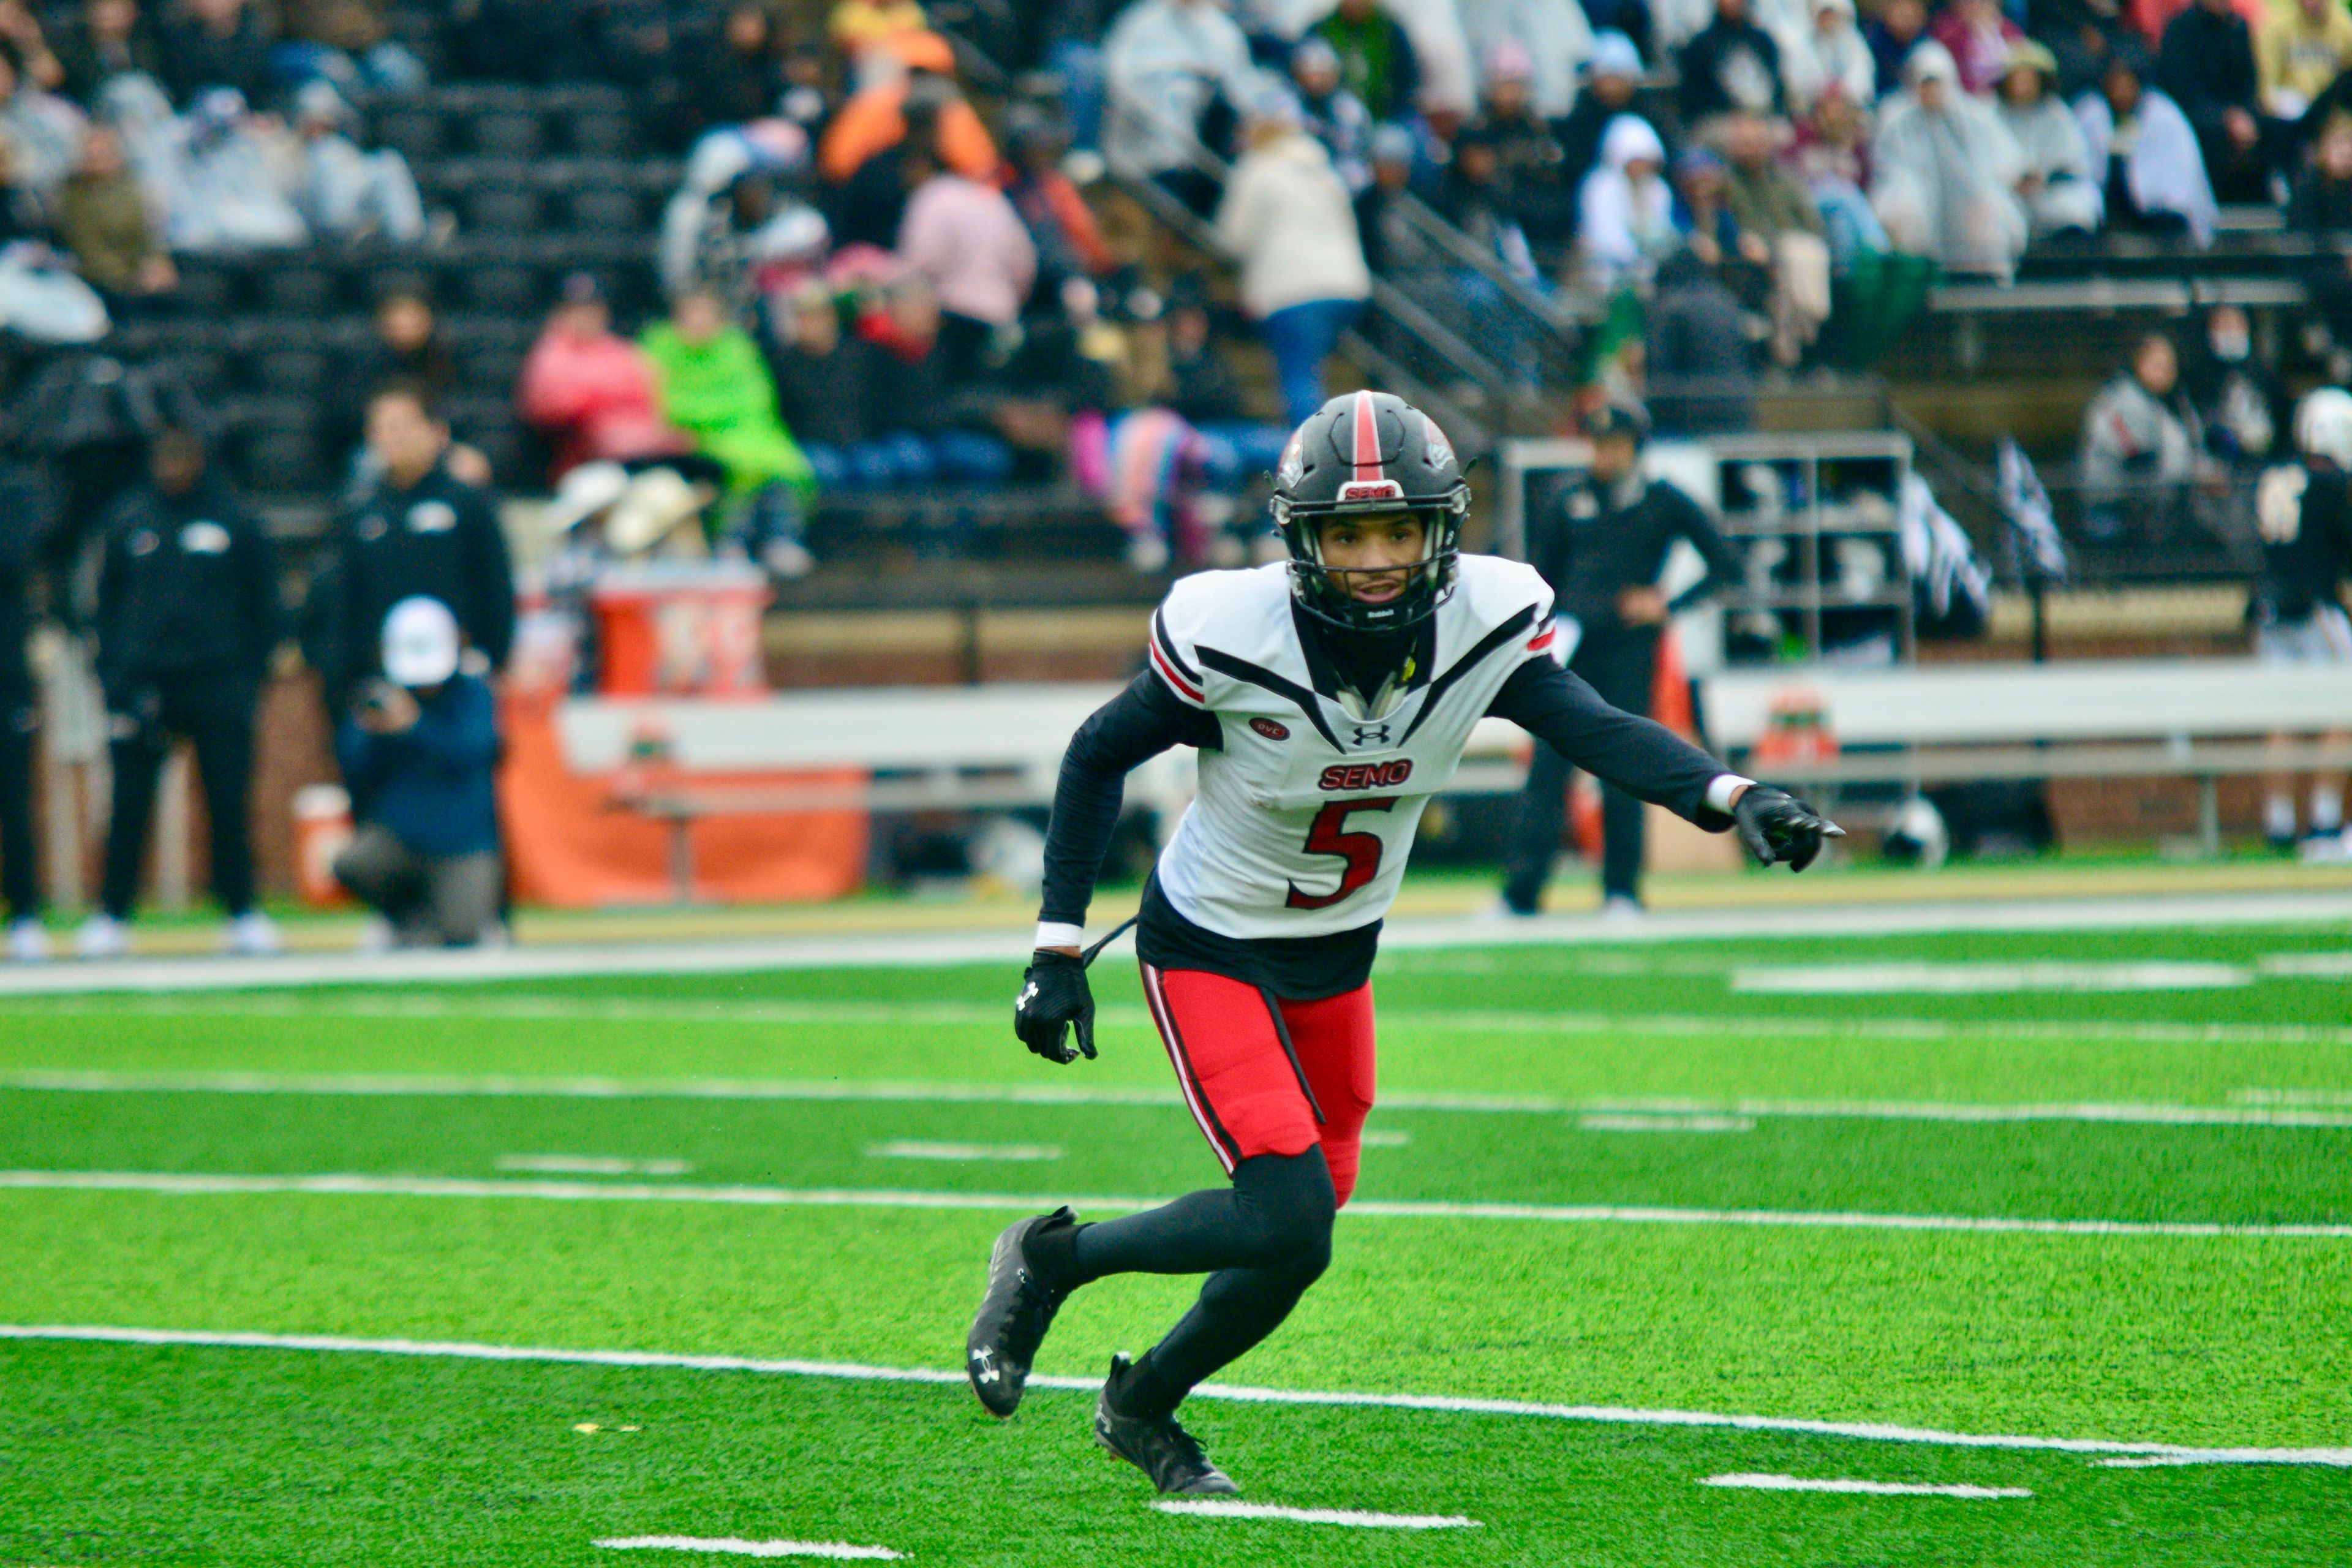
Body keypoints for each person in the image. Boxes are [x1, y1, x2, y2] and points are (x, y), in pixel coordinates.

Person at [968, 389, 1839, 1495]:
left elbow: (1593, 726)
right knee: (1285, 1211)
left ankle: (1141, 1405)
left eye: (1397, 531)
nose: (1376, 558)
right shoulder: (1233, 631)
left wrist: (1731, 790)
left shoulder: (1489, 617)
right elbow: (1098, 754)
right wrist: (1054, 949)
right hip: (1212, 943)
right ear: (1302, 538)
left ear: (1442, 532)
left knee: (1300, 1236)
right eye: (1346, 533)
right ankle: (1052, 1259)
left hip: (1340, 951)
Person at [1498, 404, 1747, 916]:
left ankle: (1621, 891)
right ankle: (1521, 893)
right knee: (1548, 771)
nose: (1605, 453)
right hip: (1569, 651)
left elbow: (1726, 562)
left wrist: (1668, 605)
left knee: (1625, 768)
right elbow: (1540, 574)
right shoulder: (1569, 498)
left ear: (1636, 445)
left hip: (1630, 652)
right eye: (1598, 442)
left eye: (1615, 442)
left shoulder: (1662, 502)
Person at [79, 427, 281, 959]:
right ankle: (112, 915)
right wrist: (114, 678)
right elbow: (104, 605)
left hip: (218, 683)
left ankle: (242, 912)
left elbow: (266, 605)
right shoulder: (129, 520)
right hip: (143, 684)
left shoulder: (235, 518)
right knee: (128, 804)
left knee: (227, 802)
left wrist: (248, 677)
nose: (173, 465)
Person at [312, 384, 516, 716]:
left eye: (403, 425)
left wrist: (497, 656)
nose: (393, 437)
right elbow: (344, 601)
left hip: (460, 677)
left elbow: (495, 584)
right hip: (382, 683)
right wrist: (346, 676)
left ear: (436, 432)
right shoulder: (358, 514)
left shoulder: (468, 504)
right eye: (382, 428)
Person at [334, 597, 503, 947]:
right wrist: (374, 731)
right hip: (401, 838)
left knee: (462, 933)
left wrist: (415, 726)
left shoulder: (473, 695)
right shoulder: (382, 695)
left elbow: (472, 752)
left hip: (462, 842)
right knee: (353, 863)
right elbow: (353, 764)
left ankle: (432, 924)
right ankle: (404, 918)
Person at [1213, 96, 1372, 426]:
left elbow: (1230, 238)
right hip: (1346, 286)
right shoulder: (1323, 170)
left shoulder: (1256, 169)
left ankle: (1313, 462)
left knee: (1299, 378)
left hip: (1293, 291)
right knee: (1317, 374)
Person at [641, 287, 816, 575]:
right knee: (736, 466)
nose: (699, 320)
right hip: (691, 438)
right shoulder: (659, 347)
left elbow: (758, 397)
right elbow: (663, 402)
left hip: (750, 431)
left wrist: (710, 411)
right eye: (692, 312)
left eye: (706, 313)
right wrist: (715, 413)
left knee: (782, 464)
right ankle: (730, 540)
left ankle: (781, 539)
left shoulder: (736, 346)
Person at [2250, 388, 2352, 856]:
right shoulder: (2329, 486)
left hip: (2271, 611)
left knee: (2283, 719)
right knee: (2343, 712)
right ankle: (2326, 825)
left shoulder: (2275, 475)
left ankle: (2279, 826)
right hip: (2315, 609)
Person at [1870, 42, 2028, 277]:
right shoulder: (1896, 117)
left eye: (1937, 84)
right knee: (1905, 214)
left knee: (1990, 212)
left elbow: (2002, 160)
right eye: (1926, 84)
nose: (1931, 91)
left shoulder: (1973, 116)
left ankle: (1989, 282)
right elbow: (1888, 166)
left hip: (1968, 201)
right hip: (1919, 198)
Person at [894, 137, 1038, 385]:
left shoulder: (934, 195)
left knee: (954, 397)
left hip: (954, 314)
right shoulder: (994, 202)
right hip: (1000, 315)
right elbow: (1025, 264)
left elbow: (922, 260)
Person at [1719, 108, 1834, 365]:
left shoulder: (1787, 181)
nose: (1750, 148)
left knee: (1802, 254)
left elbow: (1815, 227)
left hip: (1791, 255)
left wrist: (1777, 248)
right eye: (1743, 142)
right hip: (1748, 260)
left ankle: (1799, 333)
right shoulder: (1726, 184)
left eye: (1756, 142)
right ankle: (1800, 340)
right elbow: (1727, 228)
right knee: (1784, 270)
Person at [2076, 48, 2217, 244]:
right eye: (2114, 86)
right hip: (2112, 204)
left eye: (2126, 86)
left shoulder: (2163, 115)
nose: (2120, 94)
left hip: (2159, 213)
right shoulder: (2092, 115)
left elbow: (2179, 174)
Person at [2079, 331, 2201, 541]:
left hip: (2156, 510)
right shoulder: (2120, 399)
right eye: (2157, 364)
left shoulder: (2174, 403)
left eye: (2170, 365)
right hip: (2115, 511)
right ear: (2139, 363)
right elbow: (2140, 457)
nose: (2165, 372)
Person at [0, 459, 49, 961]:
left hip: (5, 679)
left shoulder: (14, 488)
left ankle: (25, 915)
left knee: (15, 804)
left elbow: (13, 554)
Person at [2157, 0, 2267, 203]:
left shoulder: (2238, 27)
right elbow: (2183, 92)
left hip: (2239, 118)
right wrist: (2225, 118)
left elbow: (2249, 84)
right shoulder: (2180, 29)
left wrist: (2246, 116)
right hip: (2194, 118)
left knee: (2275, 131)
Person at [1996, 40, 2101, 239]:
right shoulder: (1992, 114)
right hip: (2006, 193)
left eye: (2030, 79)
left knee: (2077, 206)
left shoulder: (2056, 114)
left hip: (2049, 191)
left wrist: (2044, 177)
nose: (2024, 85)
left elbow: (2073, 160)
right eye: (2019, 78)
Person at [56, 124, 174, 301]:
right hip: (101, 284)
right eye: (90, 157)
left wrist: (157, 263)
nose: (95, 162)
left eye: (102, 155)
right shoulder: (73, 197)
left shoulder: (129, 189)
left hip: (139, 275)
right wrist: (133, 278)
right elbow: (91, 254)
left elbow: (147, 234)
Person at [1578, 113, 1678, 288]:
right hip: (1608, 273)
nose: (1641, 166)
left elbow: (1662, 230)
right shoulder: (1600, 187)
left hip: (1652, 273)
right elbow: (1605, 237)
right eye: (1636, 160)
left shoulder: (1659, 189)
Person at [1558, 31, 1647, 194]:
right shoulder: (1582, 118)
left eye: (1618, 77)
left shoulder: (1647, 112)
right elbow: (1577, 167)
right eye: (1606, 77)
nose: (1611, 85)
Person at [1310, 0, 1423, 122]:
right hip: (1333, 117)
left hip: (1386, 117)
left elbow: (1408, 78)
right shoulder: (1322, 31)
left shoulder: (1390, 32)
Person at [1678, 0, 1785, 127]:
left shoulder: (1763, 42)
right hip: (1719, 120)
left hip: (1763, 118)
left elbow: (1777, 90)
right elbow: (1695, 101)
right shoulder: (1700, 46)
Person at [2258, 0, 2352, 123]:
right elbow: (2266, 80)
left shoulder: (2345, 28)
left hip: (2330, 111)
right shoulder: (2279, 28)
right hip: (2290, 111)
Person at [1781, 0, 1874, 113]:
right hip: (1815, 109)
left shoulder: (1854, 43)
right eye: (1824, 15)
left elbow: (1863, 77)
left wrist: (1844, 90)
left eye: (1832, 15)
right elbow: (1796, 81)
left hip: (1850, 105)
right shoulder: (1803, 45)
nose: (1828, 20)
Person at [1927, 0, 2021, 97]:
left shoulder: (2009, 30)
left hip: (2002, 98)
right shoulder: (1949, 31)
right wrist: (1970, 28)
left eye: (1983, 2)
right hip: (1962, 96)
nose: (1975, 5)